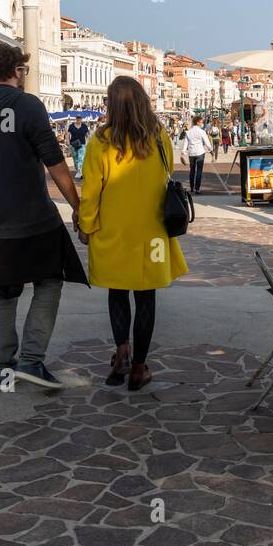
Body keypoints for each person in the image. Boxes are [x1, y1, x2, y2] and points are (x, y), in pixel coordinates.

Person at [0, 42, 87, 390]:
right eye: (24, 70)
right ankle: (31, 359)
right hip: (33, 216)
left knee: (3, 291)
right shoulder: (28, 106)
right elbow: (54, 163)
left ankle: (5, 368)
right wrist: (77, 205)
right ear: (17, 71)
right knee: (49, 281)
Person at [77, 77, 188, 391]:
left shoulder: (101, 141)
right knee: (146, 296)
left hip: (113, 231)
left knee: (117, 291)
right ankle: (139, 367)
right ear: (142, 102)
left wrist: (87, 225)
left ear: (111, 104)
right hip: (152, 234)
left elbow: (91, 190)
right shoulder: (158, 136)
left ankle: (121, 354)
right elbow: (169, 175)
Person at [183, 114, 213, 194]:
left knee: (192, 170)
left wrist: (183, 152)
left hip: (191, 153)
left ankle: (192, 187)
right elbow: (207, 142)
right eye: (201, 122)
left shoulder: (188, 132)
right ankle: (197, 188)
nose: (202, 124)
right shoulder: (202, 131)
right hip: (200, 152)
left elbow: (186, 143)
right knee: (199, 171)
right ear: (198, 122)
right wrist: (211, 150)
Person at [68, 114, 89, 179]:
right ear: (76, 118)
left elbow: (87, 135)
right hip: (73, 144)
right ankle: (78, 171)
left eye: (80, 118)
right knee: (75, 159)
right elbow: (68, 134)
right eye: (77, 118)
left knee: (81, 158)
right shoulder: (71, 126)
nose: (79, 119)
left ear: (81, 119)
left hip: (82, 144)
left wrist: (87, 143)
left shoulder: (84, 126)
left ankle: (80, 171)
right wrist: (68, 142)